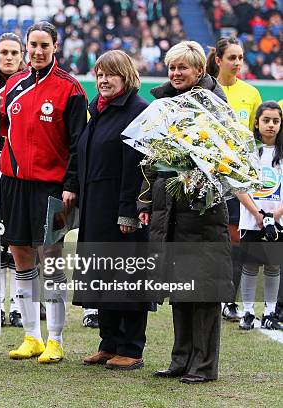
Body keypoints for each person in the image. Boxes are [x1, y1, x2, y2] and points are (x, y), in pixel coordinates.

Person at [140, 41, 233, 383]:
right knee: (179, 284)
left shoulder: (215, 104)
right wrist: (146, 202)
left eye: (183, 68)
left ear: (199, 71)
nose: (176, 74)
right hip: (171, 205)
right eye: (171, 68)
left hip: (202, 206)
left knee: (203, 288)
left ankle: (204, 365)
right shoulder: (163, 102)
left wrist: (198, 173)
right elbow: (150, 157)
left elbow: (226, 155)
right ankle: (181, 359)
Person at [0, 21, 88, 363]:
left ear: (56, 47)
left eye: (43, 46)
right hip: (14, 183)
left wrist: (71, 184)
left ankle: (55, 339)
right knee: (20, 256)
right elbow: (3, 133)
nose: (37, 52)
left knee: (50, 259)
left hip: (52, 187)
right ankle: (31, 337)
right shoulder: (12, 85)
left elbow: (79, 144)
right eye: (32, 46)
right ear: (26, 47)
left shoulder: (71, 89)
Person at [72, 50, 152, 370]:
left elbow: (137, 168)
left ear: (126, 76)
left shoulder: (138, 110)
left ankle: (131, 348)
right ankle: (109, 343)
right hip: (97, 208)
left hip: (123, 211)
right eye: (99, 74)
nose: (103, 80)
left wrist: (128, 212)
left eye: (110, 74)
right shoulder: (99, 109)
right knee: (103, 277)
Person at [206, 37, 263, 322]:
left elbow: (256, 141)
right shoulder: (204, 89)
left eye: (240, 57)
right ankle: (208, 293)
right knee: (210, 239)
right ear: (218, 59)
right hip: (207, 175)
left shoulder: (251, 93)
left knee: (235, 239)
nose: (237, 63)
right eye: (232, 57)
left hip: (237, 179)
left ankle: (229, 300)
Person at [237, 101, 283, 331]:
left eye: (276, 121)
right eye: (266, 120)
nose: (271, 125)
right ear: (257, 123)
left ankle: (270, 312)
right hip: (250, 220)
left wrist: (275, 215)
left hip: (277, 221)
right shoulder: (248, 152)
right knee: (250, 265)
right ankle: (247, 312)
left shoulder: (281, 154)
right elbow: (239, 188)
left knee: (274, 266)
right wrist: (257, 214)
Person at [0, 32, 25, 328]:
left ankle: (20, 305)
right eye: (3, 52)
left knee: (20, 241)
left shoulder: (29, 86)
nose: (8, 57)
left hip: (19, 174)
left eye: (13, 52)